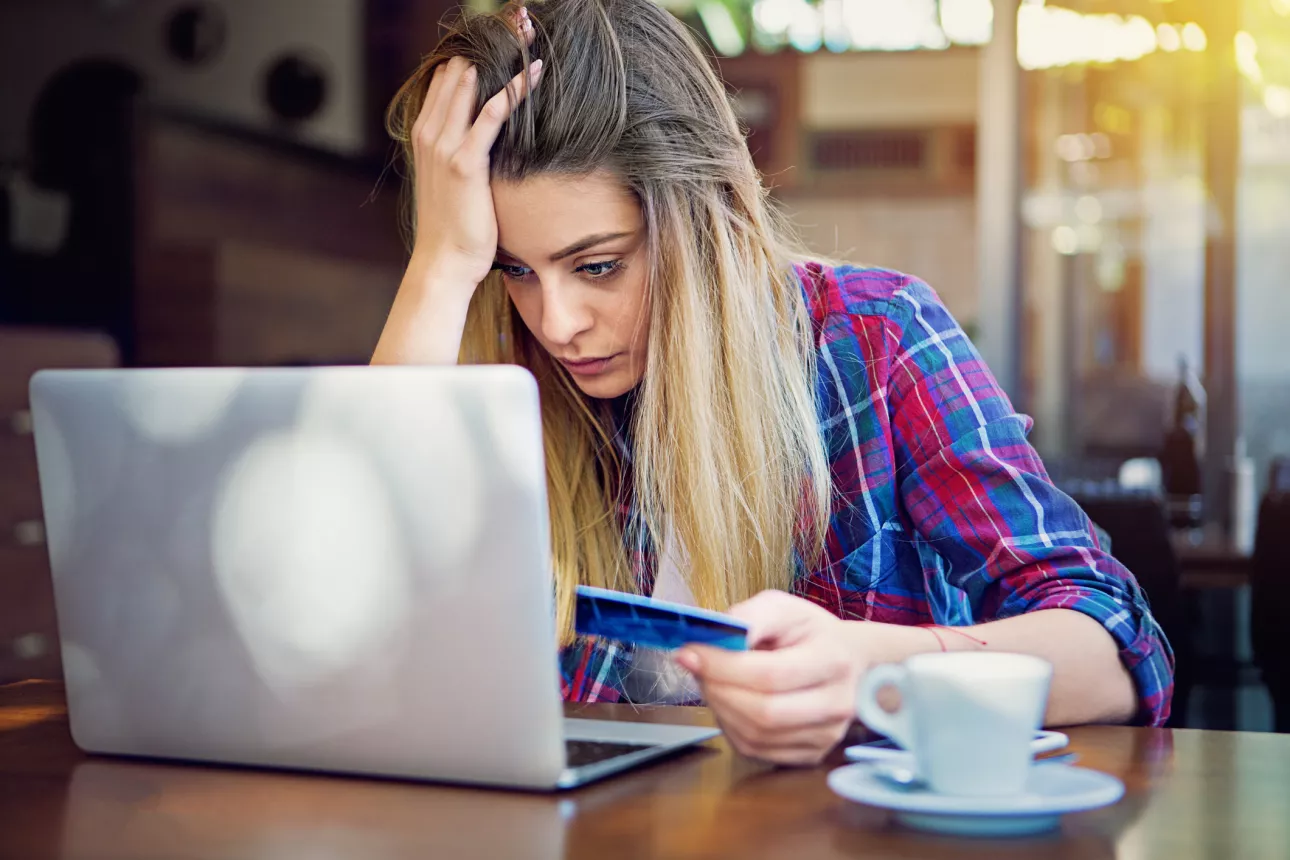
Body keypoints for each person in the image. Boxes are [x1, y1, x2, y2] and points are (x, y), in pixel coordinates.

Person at [372, 0, 1174, 765]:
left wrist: (875, 669)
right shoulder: (504, 372)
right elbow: (353, 628)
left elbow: (1117, 649)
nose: (557, 322)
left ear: (707, 217)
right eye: (514, 270)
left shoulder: (876, 335)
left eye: (599, 266)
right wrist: (440, 269)